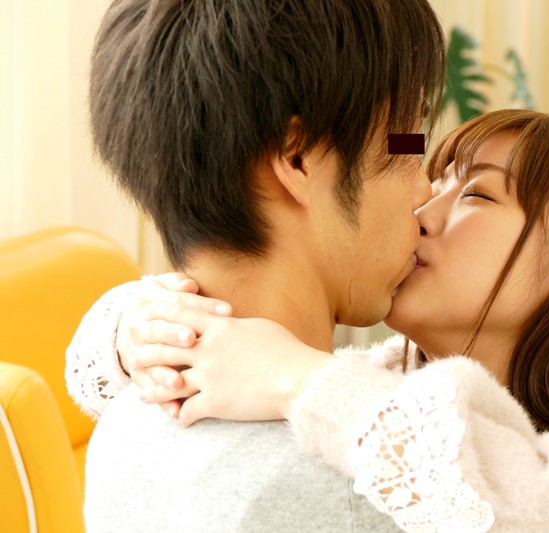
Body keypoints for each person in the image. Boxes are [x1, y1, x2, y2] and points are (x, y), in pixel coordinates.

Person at [69, 110, 549, 531]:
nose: (421, 207)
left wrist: (297, 378)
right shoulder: (389, 382)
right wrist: (144, 327)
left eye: (476, 195)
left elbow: (537, 513)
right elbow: (100, 383)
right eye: (434, 177)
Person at [67, 0, 445, 531]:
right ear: (298, 159)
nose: (426, 191)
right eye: (405, 146)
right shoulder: (383, 483)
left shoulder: (122, 425)